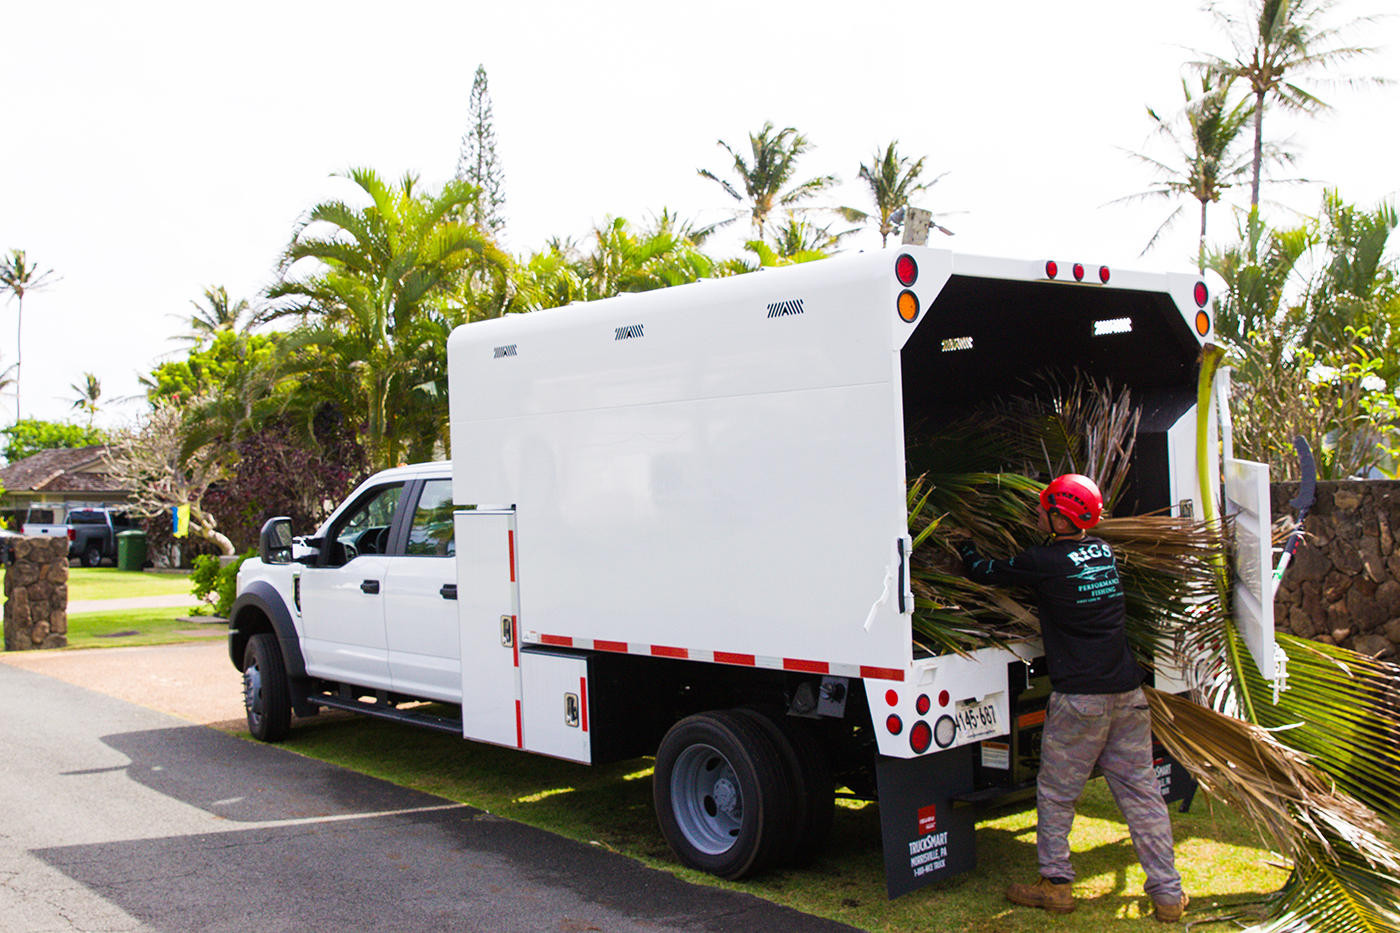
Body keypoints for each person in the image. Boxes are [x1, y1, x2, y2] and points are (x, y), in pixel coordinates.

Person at [954, 473, 1187, 923]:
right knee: (1142, 796)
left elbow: (984, 571)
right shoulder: (1103, 552)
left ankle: (1056, 884)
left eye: (1045, 508)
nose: (1038, 512)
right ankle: (1168, 895)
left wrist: (964, 546)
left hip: (1081, 700)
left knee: (1058, 794)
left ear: (1060, 517)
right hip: (1128, 694)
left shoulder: (1044, 561)